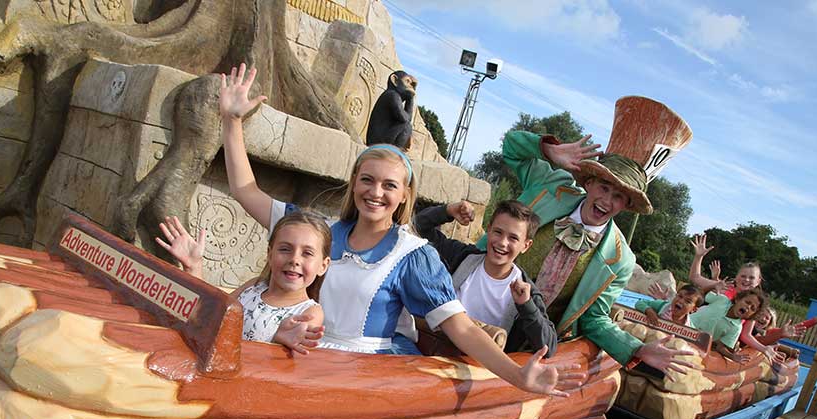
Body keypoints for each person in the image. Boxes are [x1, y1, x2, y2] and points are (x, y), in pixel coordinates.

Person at [213, 63, 585, 396]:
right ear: (354, 182)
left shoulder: (413, 255)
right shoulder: (319, 234)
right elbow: (247, 191)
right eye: (367, 180)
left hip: (365, 374)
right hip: (302, 357)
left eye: (389, 185)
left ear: (405, 193)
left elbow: (462, 328)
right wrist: (232, 122)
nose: (376, 193)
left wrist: (518, 376)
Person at [476, 130, 695, 377]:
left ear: (627, 206)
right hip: (472, 299)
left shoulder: (621, 260)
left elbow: (594, 319)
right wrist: (548, 150)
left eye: (618, 196)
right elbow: (511, 148)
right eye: (604, 187)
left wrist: (636, 348)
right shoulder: (551, 186)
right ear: (589, 183)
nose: (606, 200)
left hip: (524, 343)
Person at [158, 211, 329, 354]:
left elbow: (283, 366)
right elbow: (210, 314)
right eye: (285, 249)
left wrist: (276, 340)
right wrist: (194, 266)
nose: (294, 259)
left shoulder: (310, 312)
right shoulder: (253, 286)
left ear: (323, 265)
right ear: (269, 254)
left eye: (307, 253)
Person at [414, 199, 558, 355]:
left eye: (513, 238)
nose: (503, 243)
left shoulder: (526, 293)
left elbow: (548, 347)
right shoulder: (462, 257)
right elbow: (418, 226)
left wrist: (526, 306)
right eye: (498, 232)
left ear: (526, 245)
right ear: (488, 230)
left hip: (478, 370)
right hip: (431, 352)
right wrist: (447, 211)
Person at [688, 235, 780, 362]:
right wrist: (699, 256)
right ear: (736, 277)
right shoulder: (724, 287)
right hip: (695, 326)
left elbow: (746, 335)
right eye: (743, 276)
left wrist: (763, 349)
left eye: (751, 278)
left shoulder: (754, 307)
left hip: (714, 339)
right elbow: (695, 278)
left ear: (758, 281)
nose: (746, 280)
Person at [690, 288, 766, 362]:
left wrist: (731, 356)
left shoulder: (736, 328)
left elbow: (720, 347)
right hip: (684, 326)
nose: (748, 307)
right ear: (737, 299)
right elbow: (702, 294)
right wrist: (713, 285)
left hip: (696, 342)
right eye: (747, 302)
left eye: (752, 308)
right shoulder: (722, 300)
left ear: (751, 316)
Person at [753, 303, 817, 346]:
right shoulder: (745, 325)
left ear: (770, 323)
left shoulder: (769, 332)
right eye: (760, 314)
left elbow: (796, 327)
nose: (762, 318)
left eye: (767, 318)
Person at [634, 285, 704, 328]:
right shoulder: (663, 306)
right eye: (680, 296)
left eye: (688, 301)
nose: (681, 301)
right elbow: (639, 302)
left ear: (694, 309)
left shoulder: (689, 328)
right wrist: (649, 311)